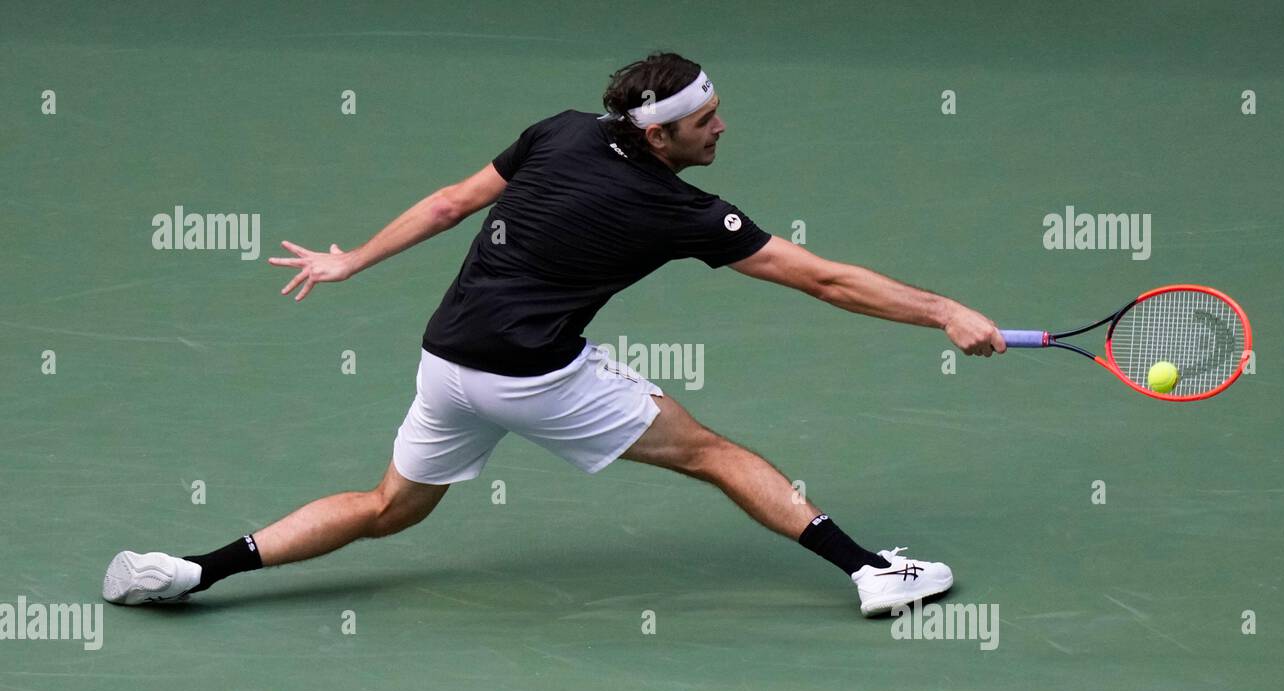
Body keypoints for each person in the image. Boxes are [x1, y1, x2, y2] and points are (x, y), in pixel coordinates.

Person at [102, 52, 1006, 618]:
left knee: (388, 507)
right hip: (535, 377)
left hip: (446, 361)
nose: (722, 126)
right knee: (715, 454)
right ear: (657, 135)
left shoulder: (561, 130)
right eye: (705, 121)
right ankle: (871, 571)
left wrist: (353, 260)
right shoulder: (684, 213)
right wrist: (944, 311)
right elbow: (825, 280)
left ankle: (193, 569)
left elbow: (454, 202)